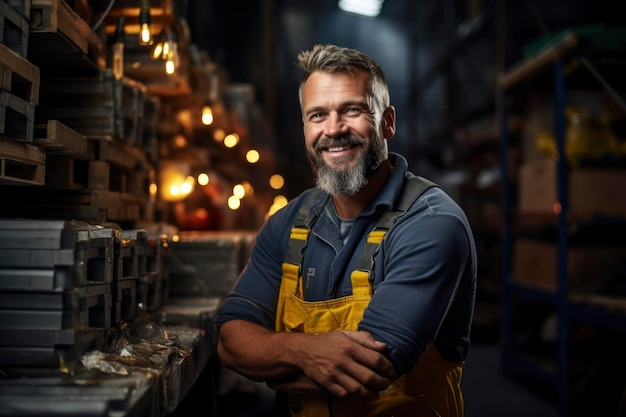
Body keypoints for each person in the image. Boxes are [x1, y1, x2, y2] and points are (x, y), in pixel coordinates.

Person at [215, 43, 477, 417]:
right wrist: (306, 352)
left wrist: (268, 363)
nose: (333, 129)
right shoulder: (286, 223)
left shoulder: (432, 225)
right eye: (317, 115)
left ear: (387, 121)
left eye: (352, 110)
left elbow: (368, 373)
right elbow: (229, 342)